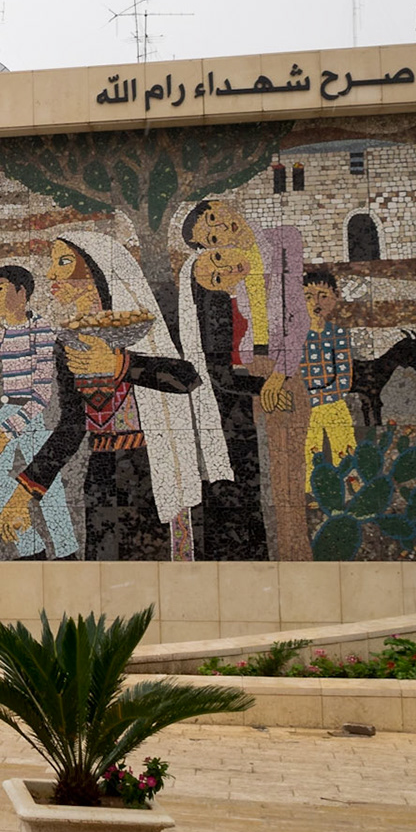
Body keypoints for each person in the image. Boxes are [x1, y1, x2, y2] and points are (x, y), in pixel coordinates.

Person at [0, 233, 204, 562]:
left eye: (63, 262)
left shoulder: (139, 324)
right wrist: (23, 492)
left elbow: (188, 378)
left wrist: (121, 364)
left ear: (95, 269)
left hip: (149, 471)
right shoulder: (67, 341)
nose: (51, 274)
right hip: (101, 474)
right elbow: (72, 427)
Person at [181, 199, 311, 561]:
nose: (219, 230)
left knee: (288, 477)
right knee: (247, 470)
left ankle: (295, 557)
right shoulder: (217, 274)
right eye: (209, 238)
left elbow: (297, 315)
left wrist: (279, 375)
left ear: (221, 206)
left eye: (212, 218)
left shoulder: (284, 240)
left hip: (283, 368)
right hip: (243, 373)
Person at [0, 266, 78, 559]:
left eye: (0, 288)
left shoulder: (42, 332)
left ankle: (65, 552)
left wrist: (7, 430)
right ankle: (31, 547)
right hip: (7, 409)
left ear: (22, 293)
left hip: (31, 411)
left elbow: (41, 395)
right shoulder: (3, 334)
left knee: (48, 484)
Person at [301, 271, 358, 478]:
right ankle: (312, 491)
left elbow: (344, 376)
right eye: (308, 296)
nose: (316, 302)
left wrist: (321, 397)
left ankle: (350, 487)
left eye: (323, 295)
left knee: (344, 446)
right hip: (305, 405)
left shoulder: (339, 334)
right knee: (309, 449)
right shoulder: (295, 337)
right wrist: (305, 399)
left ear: (335, 296)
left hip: (334, 402)